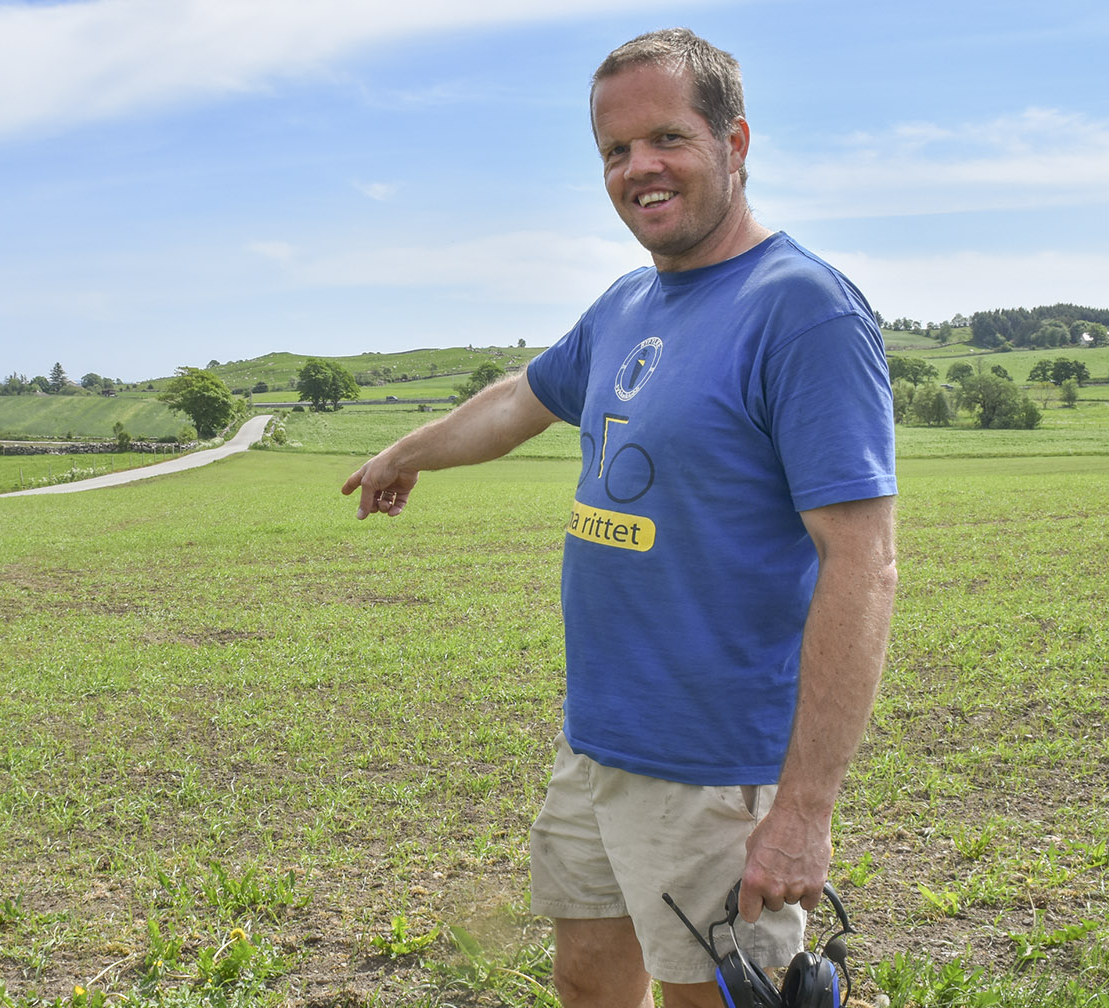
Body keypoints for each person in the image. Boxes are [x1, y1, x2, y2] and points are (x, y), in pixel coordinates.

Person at [340, 28, 898, 1008]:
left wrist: (804, 810)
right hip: (599, 740)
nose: (638, 168)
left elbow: (862, 561)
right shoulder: (629, 303)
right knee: (588, 981)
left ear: (735, 143)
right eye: (613, 150)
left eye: (666, 138)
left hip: (714, 768)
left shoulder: (801, 309)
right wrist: (407, 451)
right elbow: (523, 396)